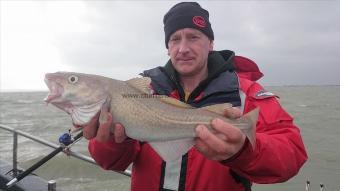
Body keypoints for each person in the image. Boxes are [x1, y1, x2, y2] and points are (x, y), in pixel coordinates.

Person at [82, 2, 308, 191]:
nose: (183, 48)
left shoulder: (246, 92)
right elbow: (109, 161)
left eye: (193, 37)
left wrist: (244, 151)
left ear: (210, 43)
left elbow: (292, 154)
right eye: (175, 39)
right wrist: (112, 140)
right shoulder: (143, 91)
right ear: (167, 47)